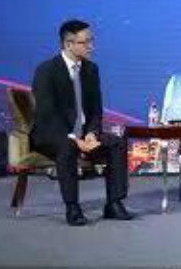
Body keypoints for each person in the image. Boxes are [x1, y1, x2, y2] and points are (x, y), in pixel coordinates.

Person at [30, 19, 132, 227]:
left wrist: (92, 133)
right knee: (67, 146)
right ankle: (73, 207)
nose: (91, 47)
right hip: (53, 133)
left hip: (85, 133)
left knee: (117, 143)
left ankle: (114, 203)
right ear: (68, 44)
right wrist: (74, 139)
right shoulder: (46, 70)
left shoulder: (91, 69)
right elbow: (47, 114)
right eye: (85, 42)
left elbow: (95, 109)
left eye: (91, 41)